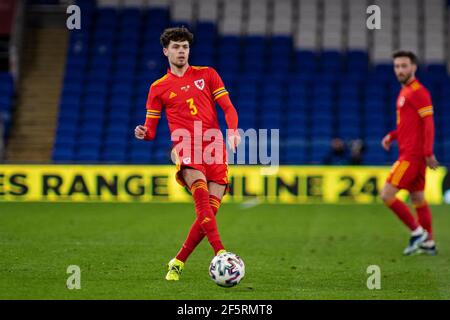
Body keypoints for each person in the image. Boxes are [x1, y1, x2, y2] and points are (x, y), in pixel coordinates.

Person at [134, 27, 241, 280]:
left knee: (209, 213)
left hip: (214, 147)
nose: (181, 51)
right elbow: (150, 131)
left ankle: (179, 261)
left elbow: (228, 107)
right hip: (186, 146)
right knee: (201, 201)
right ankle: (221, 254)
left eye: (184, 47)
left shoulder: (208, 74)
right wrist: (142, 132)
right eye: (176, 47)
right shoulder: (158, 88)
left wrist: (234, 131)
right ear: (166, 51)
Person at [380, 51, 439, 256]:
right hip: (411, 153)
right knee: (418, 199)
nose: (400, 70)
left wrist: (428, 152)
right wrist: (393, 135)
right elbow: (408, 126)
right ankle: (429, 243)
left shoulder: (418, 92)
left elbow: (428, 123)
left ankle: (417, 232)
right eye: (396, 66)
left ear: (413, 67)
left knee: (386, 194)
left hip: (412, 156)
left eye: (404, 66)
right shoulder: (404, 92)